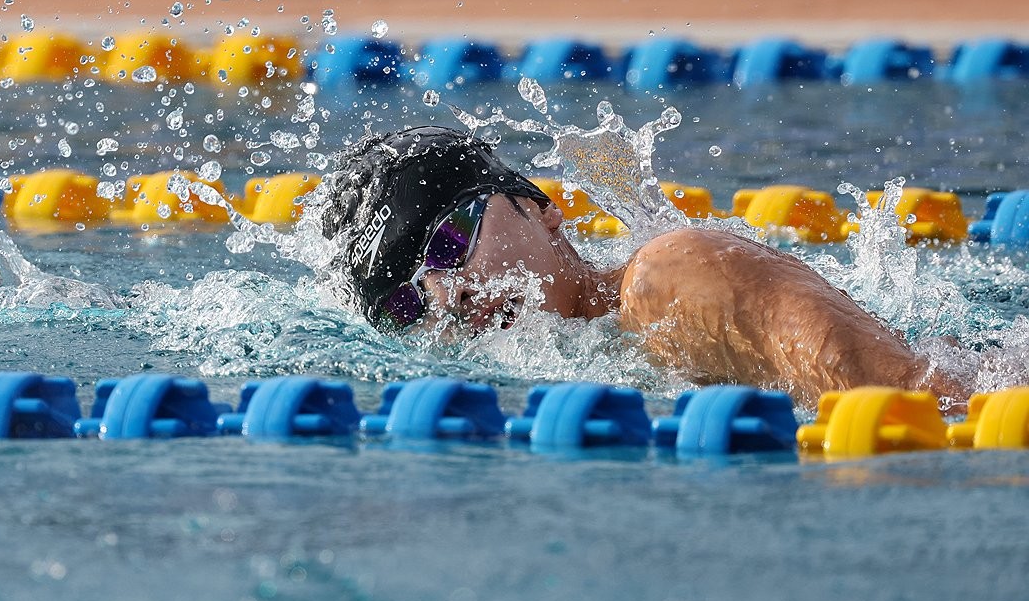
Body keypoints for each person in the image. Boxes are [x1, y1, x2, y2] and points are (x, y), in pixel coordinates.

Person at [319, 125, 968, 409]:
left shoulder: (669, 279)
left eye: (450, 243)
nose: (448, 295)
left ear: (540, 209)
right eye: (408, 304)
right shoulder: (594, 356)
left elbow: (917, 402)